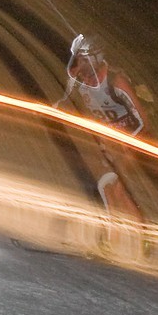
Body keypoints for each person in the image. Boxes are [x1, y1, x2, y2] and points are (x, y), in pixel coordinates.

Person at [55, 34, 148, 226]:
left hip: (131, 141)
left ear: (95, 58)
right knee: (106, 188)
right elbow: (68, 96)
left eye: (83, 58)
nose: (79, 64)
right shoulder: (80, 79)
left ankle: (143, 236)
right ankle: (115, 237)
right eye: (78, 59)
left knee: (117, 189)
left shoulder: (116, 81)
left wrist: (127, 145)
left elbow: (143, 121)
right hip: (110, 143)